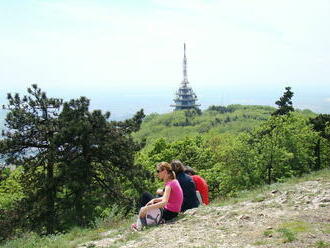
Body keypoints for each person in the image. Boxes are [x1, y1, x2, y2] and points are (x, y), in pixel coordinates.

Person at [132, 162, 183, 230]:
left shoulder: (169, 184)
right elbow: (168, 198)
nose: (157, 174)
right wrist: (154, 200)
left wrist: (146, 208)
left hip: (169, 214)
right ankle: (142, 222)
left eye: (158, 171)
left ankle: (140, 223)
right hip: (173, 212)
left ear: (164, 171)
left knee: (145, 195)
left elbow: (164, 202)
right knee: (153, 198)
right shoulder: (174, 181)